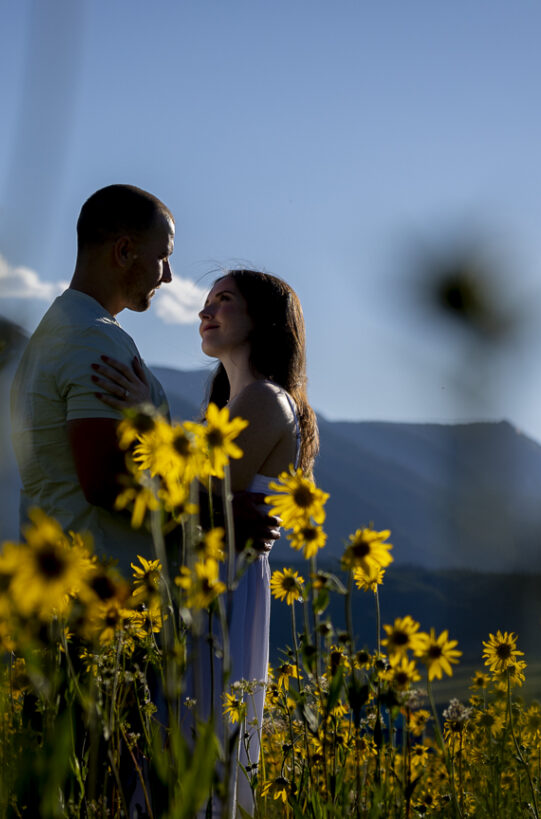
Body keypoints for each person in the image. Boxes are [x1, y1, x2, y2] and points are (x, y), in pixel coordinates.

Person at [93, 269, 318, 815]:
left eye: (224, 301)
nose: (205, 311)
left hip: (221, 590)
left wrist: (146, 417)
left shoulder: (266, 399)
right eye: (205, 301)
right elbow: (204, 500)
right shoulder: (236, 402)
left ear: (264, 321)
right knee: (175, 743)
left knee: (192, 741)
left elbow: (197, 493)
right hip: (206, 585)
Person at [9, 183, 176, 563]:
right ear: (124, 251)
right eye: (163, 256)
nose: (167, 276)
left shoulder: (58, 330)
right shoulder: (93, 339)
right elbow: (105, 485)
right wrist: (214, 515)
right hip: (104, 582)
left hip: (60, 573)